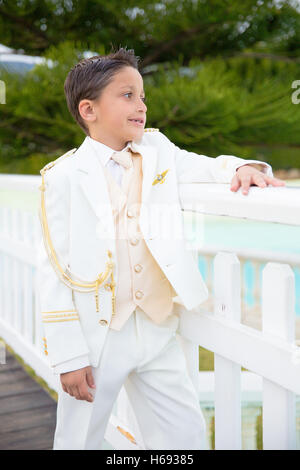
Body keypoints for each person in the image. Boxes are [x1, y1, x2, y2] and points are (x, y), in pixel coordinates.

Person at [37, 46, 285, 450]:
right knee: (80, 438)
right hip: (97, 337)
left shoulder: (157, 150)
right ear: (88, 109)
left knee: (182, 434)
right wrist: (68, 357)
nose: (142, 105)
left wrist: (243, 167)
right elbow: (52, 269)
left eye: (143, 96)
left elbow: (204, 165)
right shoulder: (62, 177)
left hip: (156, 326)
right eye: (128, 95)